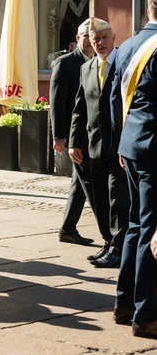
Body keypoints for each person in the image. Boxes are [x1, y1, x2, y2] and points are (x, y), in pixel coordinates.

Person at [110, 0, 157, 336]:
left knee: (134, 226)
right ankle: (147, 314)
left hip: (131, 146)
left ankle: (124, 303)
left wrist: (124, 143)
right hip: (154, 148)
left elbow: (115, 100)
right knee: (150, 231)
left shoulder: (127, 45)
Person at [69, 18, 127, 269]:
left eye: (104, 37)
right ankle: (108, 241)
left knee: (118, 199)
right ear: (90, 43)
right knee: (100, 199)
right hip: (93, 146)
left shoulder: (126, 64)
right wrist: (73, 142)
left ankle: (118, 248)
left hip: (119, 146)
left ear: (113, 38)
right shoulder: (87, 68)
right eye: (95, 39)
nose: (100, 42)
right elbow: (79, 109)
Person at [51, 20, 97, 245]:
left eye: (92, 35)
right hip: (74, 135)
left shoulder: (98, 62)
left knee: (80, 184)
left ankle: (68, 229)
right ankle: (112, 234)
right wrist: (58, 136)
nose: (90, 40)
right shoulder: (65, 63)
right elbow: (57, 103)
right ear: (77, 39)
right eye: (85, 35)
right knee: (88, 182)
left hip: (93, 133)